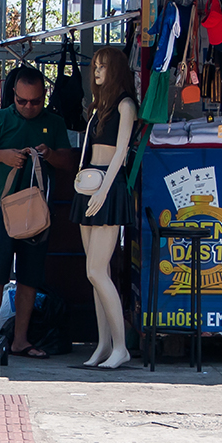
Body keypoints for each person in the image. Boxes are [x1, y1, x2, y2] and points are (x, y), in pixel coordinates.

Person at [0, 66, 75, 357]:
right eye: (22, 101)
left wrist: (51, 155)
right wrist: (3, 155)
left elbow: (68, 162)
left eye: (36, 101)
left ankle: (20, 340)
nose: (29, 107)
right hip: (3, 209)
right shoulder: (1, 118)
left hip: (37, 212)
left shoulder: (54, 122)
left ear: (44, 97)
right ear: (13, 96)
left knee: (29, 278)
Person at [72, 47, 139, 369]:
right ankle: (103, 344)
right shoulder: (99, 107)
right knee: (98, 273)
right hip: (89, 185)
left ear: (115, 70)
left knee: (96, 270)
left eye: (102, 67)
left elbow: (122, 152)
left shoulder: (126, 105)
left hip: (106, 188)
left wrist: (105, 190)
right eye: (95, 67)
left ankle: (121, 346)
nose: (96, 72)